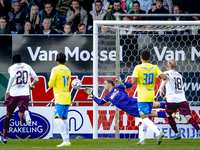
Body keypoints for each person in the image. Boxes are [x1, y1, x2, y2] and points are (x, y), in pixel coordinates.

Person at [0, 54, 39, 144]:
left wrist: (7, 91)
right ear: (21, 59)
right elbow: (36, 79)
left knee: (8, 116)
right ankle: (26, 113)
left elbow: (13, 77)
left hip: (14, 95)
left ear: (13, 61)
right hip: (25, 95)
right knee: (22, 120)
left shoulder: (12, 68)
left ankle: (5, 138)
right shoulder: (27, 66)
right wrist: (31, 85)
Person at [131, 50, 168, 145]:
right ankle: (142, 140)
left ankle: (158, 132)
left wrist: (137, 77)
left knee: (144, 118)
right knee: (146, 117)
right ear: (149, 58)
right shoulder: (154, 67)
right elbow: (164, 77)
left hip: (142, 96)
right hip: (151, 96)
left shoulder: (138, 67)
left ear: (140, 58)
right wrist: (166, 75)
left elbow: (133, 81)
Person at [159, 59, 200, 140]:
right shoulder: (179, 75)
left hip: (171, 101)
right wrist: (167, 95)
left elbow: (166, 77)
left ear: (167, 67)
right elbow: (175, 88)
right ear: (176, 66)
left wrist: (161, 88)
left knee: (168, 115)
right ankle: (198, 130)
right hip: (182, 99)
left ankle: (177, 134)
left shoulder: (166, 73)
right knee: (188, 117)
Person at [48, 53, 71, 147]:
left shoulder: (55, 69)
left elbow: (50, 84)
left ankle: (65, 140)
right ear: (65, 60)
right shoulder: (68, 70)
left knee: (57, 119)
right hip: (67, 96)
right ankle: (67, 140)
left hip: (59, 97)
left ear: (56, 60)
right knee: (64, 119)